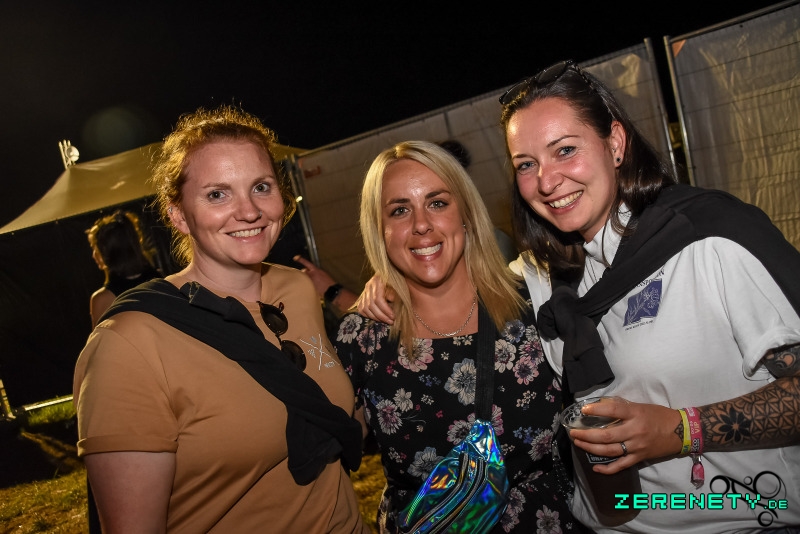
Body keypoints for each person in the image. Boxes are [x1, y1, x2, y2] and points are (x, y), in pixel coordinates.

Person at [498, 60, 800, 532]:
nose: (547, 181)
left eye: (565, 150)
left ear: (615, 143)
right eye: (526, 165)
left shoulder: (710, 238)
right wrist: (388, 283)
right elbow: (456, 281)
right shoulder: (546, 274)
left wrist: (684, 430)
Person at [73, 105, 368, 533]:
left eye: (261, 187)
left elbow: (330, 407)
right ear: (178, 214)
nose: (249, 211)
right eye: (217, 194)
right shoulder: (129, 343)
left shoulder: (297, 289)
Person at [334, 140, 589, 533]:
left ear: (466, 214)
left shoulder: (535, 304)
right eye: (400, 210)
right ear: (379, 230)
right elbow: (327, 451)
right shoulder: (362, 337)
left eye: (437, 203)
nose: (421, 224)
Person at [85, 210, 161, 326]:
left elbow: (102, 338)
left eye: (94, 248)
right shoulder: (160, 281)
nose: (93, 255)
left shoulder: (102, 299)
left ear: (105, 253)